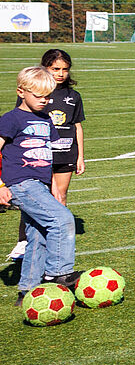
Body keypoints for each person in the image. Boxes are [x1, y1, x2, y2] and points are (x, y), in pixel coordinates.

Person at [0, 66, 77, 298]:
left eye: (48, 96)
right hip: (21, 182)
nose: (44, 100)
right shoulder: (11, 119)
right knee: (62, 219)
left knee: (38, 235)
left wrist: (53, 185)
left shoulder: (46, 119)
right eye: (39, 96)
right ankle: (57, 273)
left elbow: (47, 155)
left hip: (41, 184)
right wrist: (1, 186)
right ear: (21, 92)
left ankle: (28, 290)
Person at [11, 48, 85, 261]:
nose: (60, 73)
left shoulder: (73, 96)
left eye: (65, 69)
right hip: (40, 154)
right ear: (44, 68)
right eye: (55, 69)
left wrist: (80, 156)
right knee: (36, 199)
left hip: (65, 154)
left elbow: (77, 126)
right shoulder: (35, 94)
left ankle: (58, 243)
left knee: (60, 197)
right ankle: (24, 241)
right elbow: (21, 121)